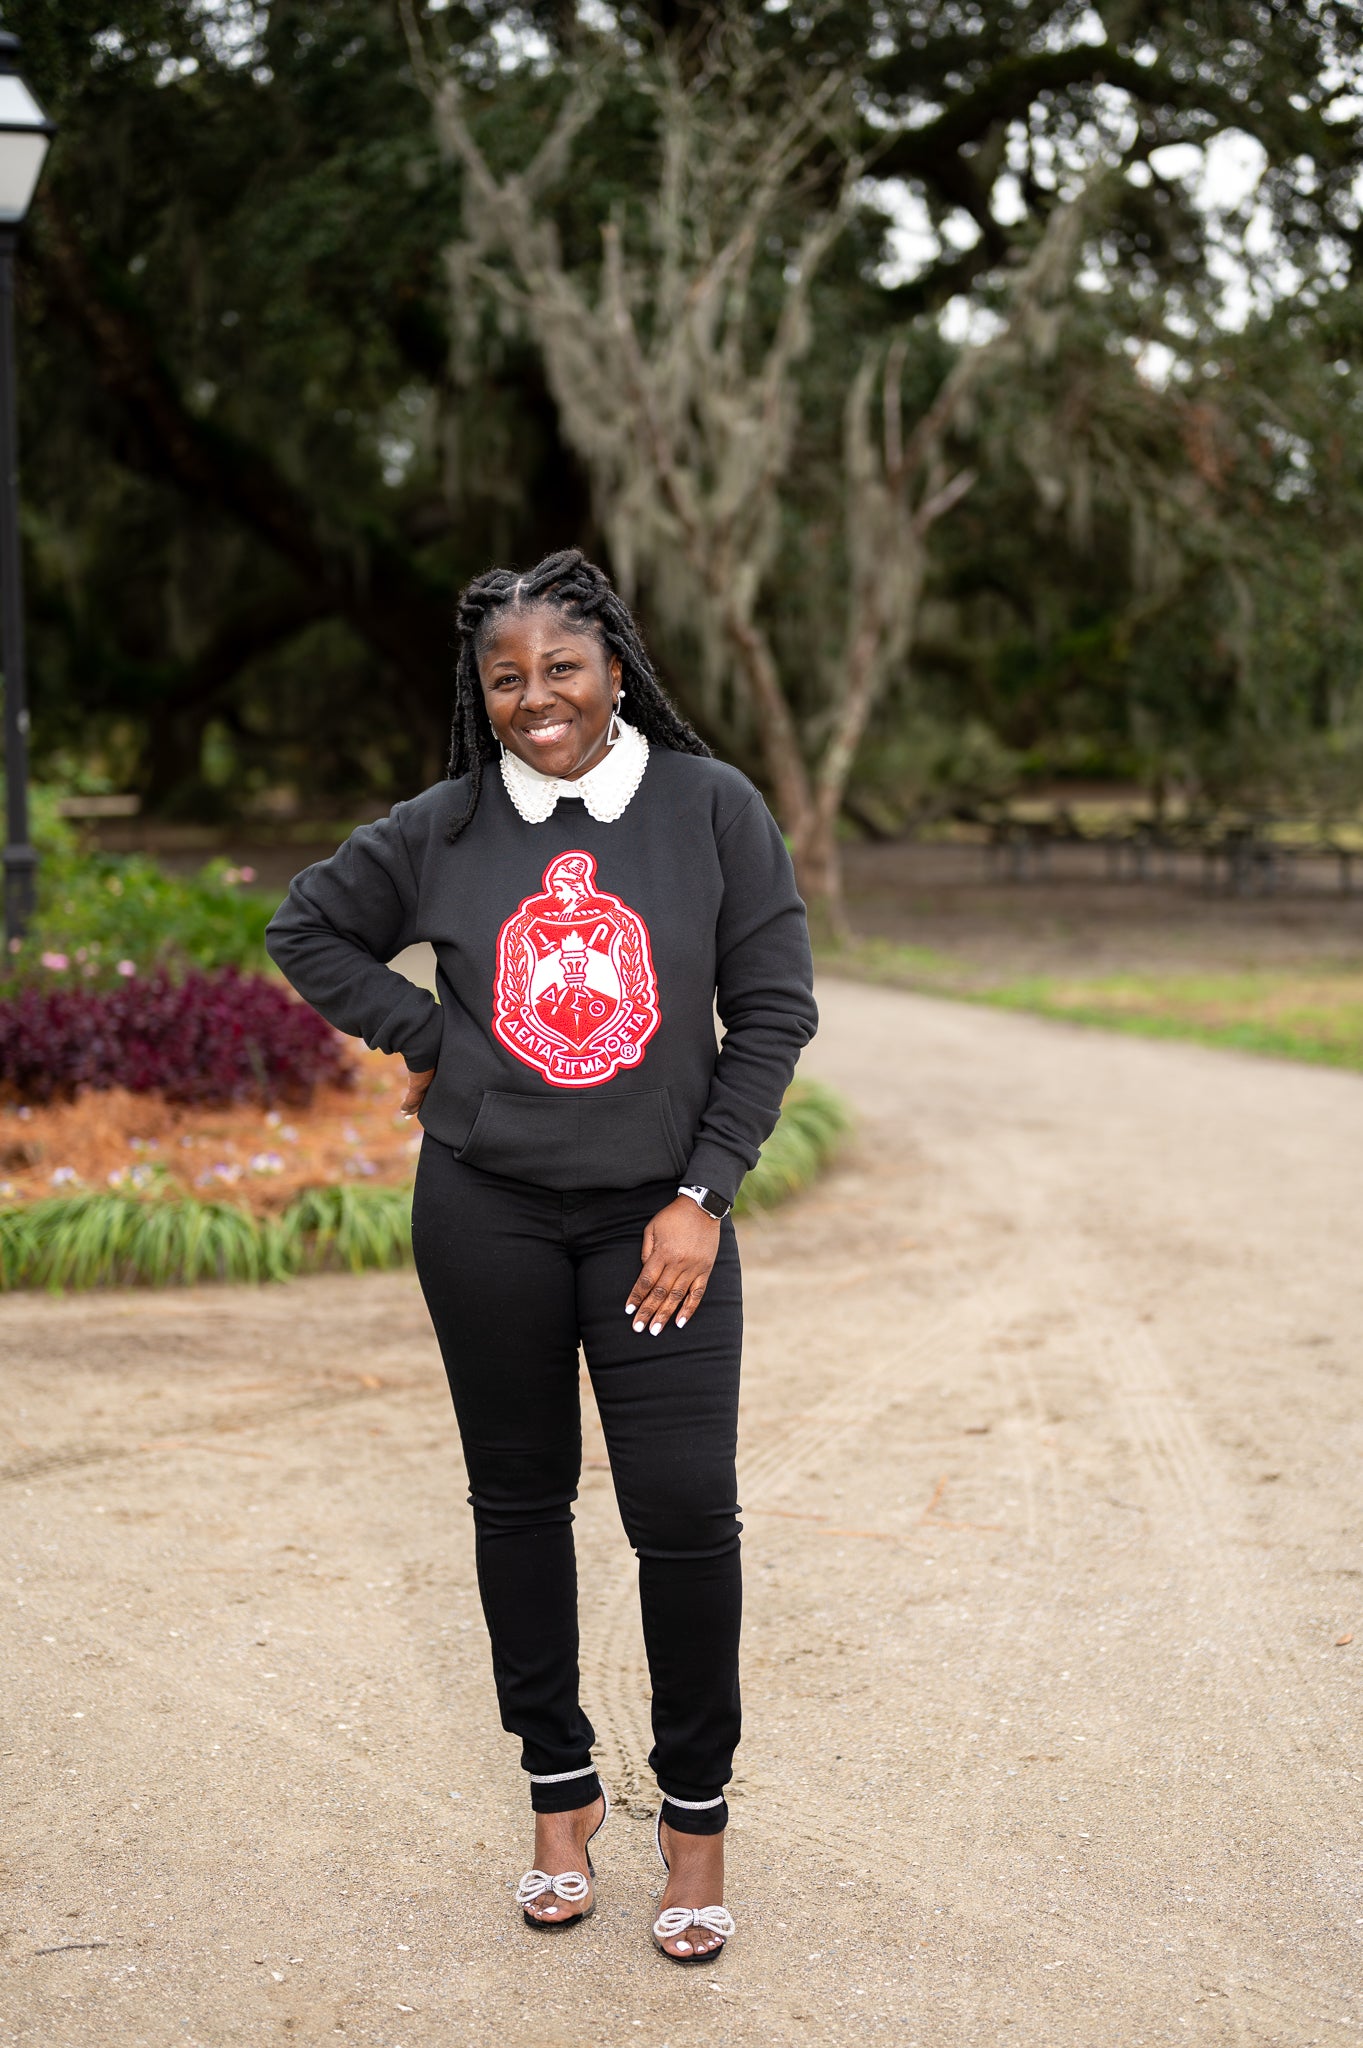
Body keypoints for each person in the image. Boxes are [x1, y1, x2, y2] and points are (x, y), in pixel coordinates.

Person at [265, 549, 817, 1963]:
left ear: (616, 668)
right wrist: (439, 1040)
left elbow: (771, 1013)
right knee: (518, 1506)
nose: (535, 700)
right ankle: (558, 1804)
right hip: (489, 1214)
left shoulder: (711, 810)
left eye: (561, 669)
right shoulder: (444, 827)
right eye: (504, 678)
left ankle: (694, 1829)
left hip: (659, 1229)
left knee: (684, 1513)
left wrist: (705, 1192)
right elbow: (308, 927)